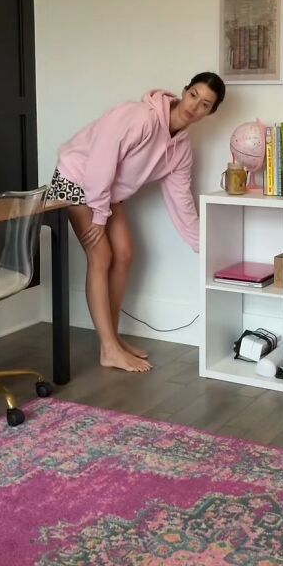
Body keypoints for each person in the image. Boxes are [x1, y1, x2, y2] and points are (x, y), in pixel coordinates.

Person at [48, 72, 226, 373]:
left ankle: (113, 340)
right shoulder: (141, 116)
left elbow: (181, 203)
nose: (194, 106)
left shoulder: (180, 150)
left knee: (126, 253)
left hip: (107, 192)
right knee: (101, 255)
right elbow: (101, 161)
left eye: (205, 104)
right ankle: (108, 349)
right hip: (77, 178)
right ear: (184, 91)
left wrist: (205, 248)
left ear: (210, 112)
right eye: (194, 95)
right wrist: (101, 216)